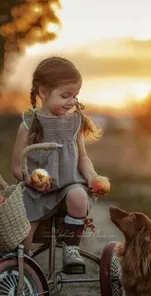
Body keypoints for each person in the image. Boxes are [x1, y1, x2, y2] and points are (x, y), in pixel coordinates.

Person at [12, 56, 109, 273]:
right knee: (22, 232)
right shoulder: (29, 125)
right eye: (65, 95)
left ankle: (71, 249)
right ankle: (23, 269)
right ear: (44, 92)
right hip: (37, 192)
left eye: (75, 96)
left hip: (68, 185)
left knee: (78, 195)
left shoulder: (75, 122)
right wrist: (30, 181)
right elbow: (17, 167)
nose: (71, 101)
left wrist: (92, 176)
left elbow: (82, 157)